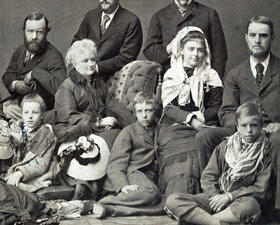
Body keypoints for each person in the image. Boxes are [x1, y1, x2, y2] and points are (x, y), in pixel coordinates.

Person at [196, 16, 280, 216]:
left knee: (277, 139)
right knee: (204, 136)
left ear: (272, 38)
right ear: (246, 38)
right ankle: (214, 197)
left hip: (272, 131)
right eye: (253, 35)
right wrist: (241, 129)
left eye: (263, 35)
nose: (257, 40)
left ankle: (273, 207)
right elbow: (226, 110)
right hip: (242, 128)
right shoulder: (235, 73)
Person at [53, 39, 136, 199]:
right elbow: (68, 116)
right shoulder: (67, 86)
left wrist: (134, 125)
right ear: (74, 63)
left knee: (121, 136)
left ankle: (108, 185)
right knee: (95, 145)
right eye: (85, 60)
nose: (91, 64)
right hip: (73, 130)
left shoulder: (98, 83)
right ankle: (87, 186)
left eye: (93, 59)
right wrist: (98, 122)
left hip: (99, 128)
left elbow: (112, 104)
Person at [164, 103, 272, 225]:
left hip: (240, 201)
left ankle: (202, 220)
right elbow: (208, 176)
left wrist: (230, 196)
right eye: (244, 126)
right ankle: (216, 222)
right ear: (237, 126)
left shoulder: (265, 151)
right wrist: (215, 197)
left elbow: (260, 189)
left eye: (254, 125)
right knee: (173, 200)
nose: (249, 131)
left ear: (261, 126)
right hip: (217, 199)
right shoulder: (225, 146)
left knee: (250, 206)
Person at [157, 26, 223, 197]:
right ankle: (174, 198)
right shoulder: (172, 74)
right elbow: (169, 108)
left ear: (205, 52)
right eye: (191, 49)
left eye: (200, 50)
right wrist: (190, 120)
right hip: (174, 127)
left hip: (204, 126)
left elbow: (216, 108)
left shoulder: (211, 75)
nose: (195, 54)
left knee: (195, 154)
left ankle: (195, 199)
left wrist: (200, 120)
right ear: (182, 50)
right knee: (175, 156)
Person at [87, 92, 162, 218]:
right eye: (139, 111)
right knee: (152, 193)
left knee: (163, 202)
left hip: (149, 175)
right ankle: (102, 202)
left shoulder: (160, 129)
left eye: (148, 110)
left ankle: (111, 209)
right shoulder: (128, 132)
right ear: (135, 112)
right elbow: (115, 164)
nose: (144, 115)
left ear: (155, 111)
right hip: (132, 172)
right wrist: (123, 186)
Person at [2, 12, 66, 121]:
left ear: (46, 33)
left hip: (39, 112)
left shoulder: (54, 56)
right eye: (30, 31)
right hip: (18, 104)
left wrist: (35, 72)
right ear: (24, 31)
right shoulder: (20, 50)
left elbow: (61, 89)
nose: (34, 37)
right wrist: (15, 84)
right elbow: (8, 75)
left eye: (39, 32)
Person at [143, 0, 227, 79]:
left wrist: (214, 81)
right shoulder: (159, 16)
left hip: (201, 79)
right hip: (169, 79)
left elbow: (220, 53)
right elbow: (149, 52)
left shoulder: (208, 14)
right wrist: (169, 48)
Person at [72, 0, 143, 81]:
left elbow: (127, 57)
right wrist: (81, 65)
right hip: (83, 74)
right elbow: (76, 43)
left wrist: (97, 68)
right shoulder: (91, 15)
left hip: (112, 78)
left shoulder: (131, 21)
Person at [3, 93, 57, 193]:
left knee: (16, 187)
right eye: (26, 112)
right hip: (14, 167)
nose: (30, 116)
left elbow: (41, 164)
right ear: (21, 114)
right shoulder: (16, 128)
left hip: (33, 171)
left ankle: (33, 185)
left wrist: (20, 173)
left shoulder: (46, 135)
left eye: (35, 112)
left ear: (42, 115)